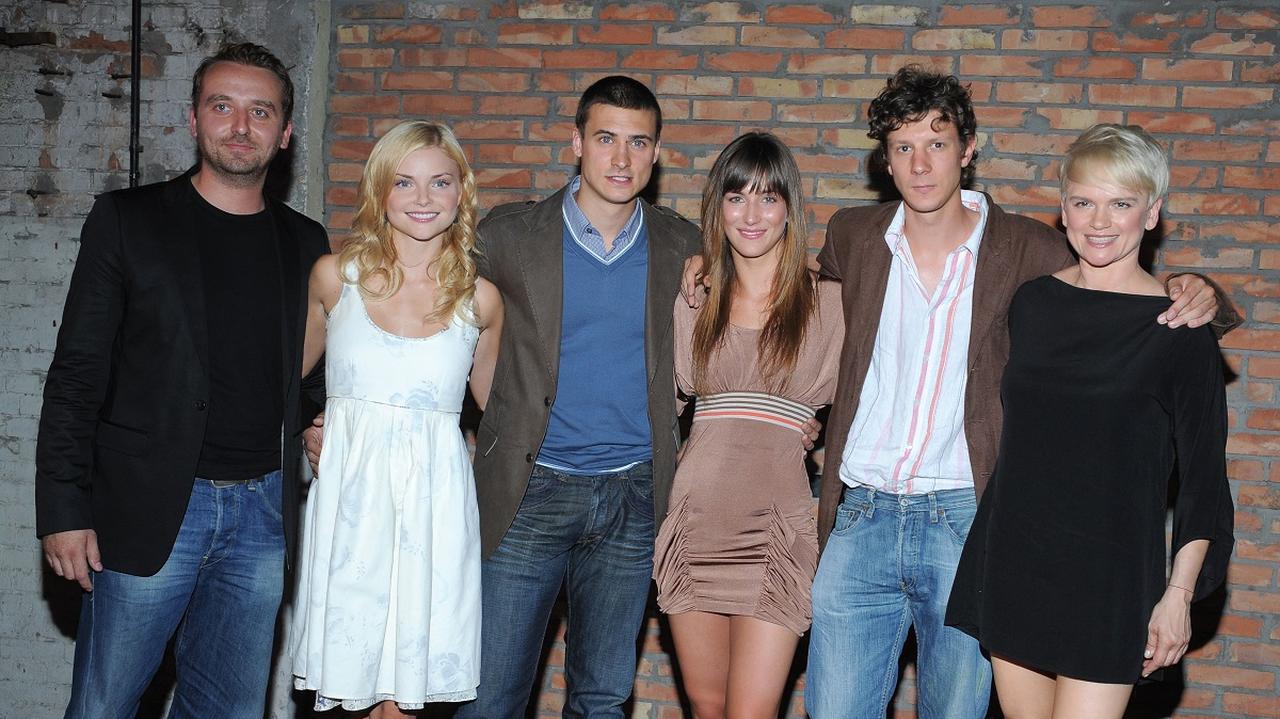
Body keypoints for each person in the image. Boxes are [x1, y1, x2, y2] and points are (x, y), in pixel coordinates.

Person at [797, 66, 1234, 719]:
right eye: (903, 146)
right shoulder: (859, 238)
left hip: (979, 523)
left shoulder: (1029, 252)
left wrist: (1203, 290)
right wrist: (713, 265)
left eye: (937, 143)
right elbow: (795, 293)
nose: (920, 163)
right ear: (884, 159)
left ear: (968, 150)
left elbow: (1199, 465)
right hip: (900, 525)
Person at [35, 43, 328, 718]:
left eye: (261, 112)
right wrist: (64, 511)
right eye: (222, 106)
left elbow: (306, 373)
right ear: (194, 120)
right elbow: (76, 373)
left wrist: (320, 418)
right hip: (148, 508)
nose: (240, 125)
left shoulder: (306, 242)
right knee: (104, 706)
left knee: (228, 710)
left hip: (262, 515)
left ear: (285, 133)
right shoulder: (127, 221)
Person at [944, 123, 1233, 719]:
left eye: (1121, 204)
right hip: (1017, 560)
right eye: (1083, 202)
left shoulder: (1178, 329)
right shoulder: (1032, 304)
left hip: (1112, 578)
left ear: (1152, 213)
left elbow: (1204, 482)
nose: (1100, 221)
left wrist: (1178, 595)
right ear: (1063, 208)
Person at [289, 121, 502, 716]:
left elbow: (503, 416)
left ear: (462, 192)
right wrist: (311, 426)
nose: (423, 198)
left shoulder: (480, 300)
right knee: (350, 686)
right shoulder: (335, 278)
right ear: (379, 190)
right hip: (350, 507)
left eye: (440, 182)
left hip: (434, 511)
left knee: (407, 700)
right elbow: (282, 385)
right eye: (404, 182)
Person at [652, 132, 843, 718]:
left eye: (768, 197)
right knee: (707, 705)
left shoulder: (829, 301)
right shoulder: (696, 297)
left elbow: (864, 398)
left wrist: (817, 430)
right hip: (697, 520)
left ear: (789, 207)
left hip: (775, 529)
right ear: (718, 207)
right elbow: (670, 403)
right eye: (736, 198)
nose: (752, 215)